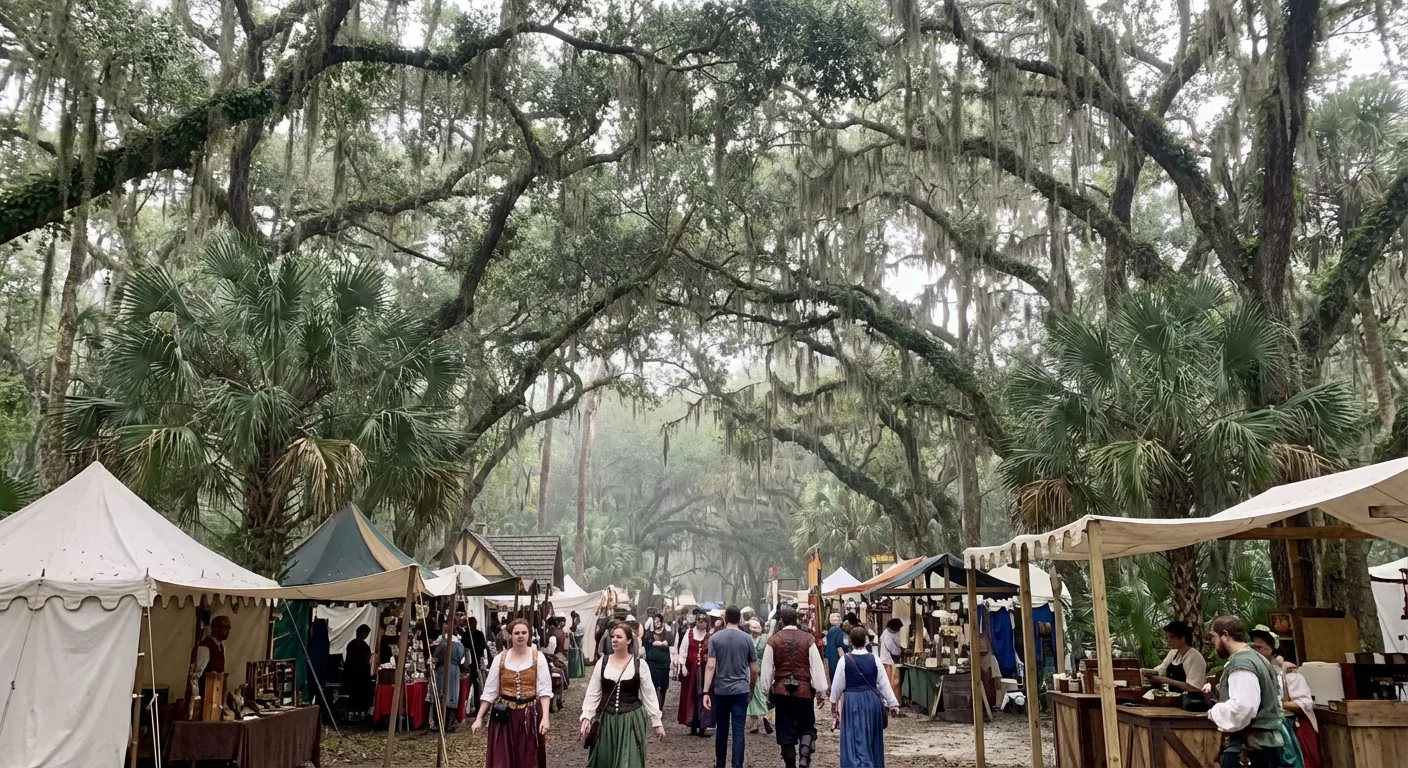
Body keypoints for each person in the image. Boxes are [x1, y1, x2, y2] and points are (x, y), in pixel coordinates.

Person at [579, 624, 667, 767]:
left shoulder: (640, 665)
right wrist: (587, 716)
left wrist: (657, 722)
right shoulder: (603, 662)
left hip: (631, 720)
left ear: (629, 641)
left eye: (619, 637)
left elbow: (649, 695)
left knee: (628, 762)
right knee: (605, 760)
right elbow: (593, 692)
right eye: (613, 637)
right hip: (607, 721)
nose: (614, 640)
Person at [1204, 615, 1283, 768]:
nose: (1213, 643)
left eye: (1213, 637)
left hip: (1253, 748)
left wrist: (1213, 712)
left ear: (1225, 635)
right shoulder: (1256, 658)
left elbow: (1243, 707)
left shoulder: (1243, 663)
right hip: (1261, 746)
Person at [472, 618, 552, 768]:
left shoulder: (538, 657)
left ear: (529, 634)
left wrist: (545, 717)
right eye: (516, 633)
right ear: (510, 635)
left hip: (529, 715)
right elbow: (490, 692)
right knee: (502, 760)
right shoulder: (500, 659)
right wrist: (479, 718)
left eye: (524, 632)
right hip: (504, 717)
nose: (520, 636)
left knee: (528, 759)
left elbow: (544, 691)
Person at [761, 606, 829, 768]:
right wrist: (821, 690)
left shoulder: (774, 640)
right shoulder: (808, 640)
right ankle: (804, 758)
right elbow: (816, 667)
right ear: (797, 620)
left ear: (782, 621)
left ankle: (790, 764)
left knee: (785, 731)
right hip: (804, 692)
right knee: (806, 726)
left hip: (781, 692)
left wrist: (765, 692)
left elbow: (767, 670)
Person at [1250, 626, 1318, 768]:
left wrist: (1276, 704)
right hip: (1263, 729)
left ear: (1271, 649)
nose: (1256, 652)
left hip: (1289, 726)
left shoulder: (1288, 672)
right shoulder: (1253, 671)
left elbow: (1304, 703)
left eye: (1260, 648)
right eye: (1254, 648)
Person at [831, 625, 898, 767]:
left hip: (853, 701)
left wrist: (833, 704)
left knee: (856, 739)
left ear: (850, 641)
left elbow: (837, 686)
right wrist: (893, 704)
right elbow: (884, 683)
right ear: (866, 640)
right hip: (872, 702)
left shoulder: (844, 661)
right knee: (872, 739)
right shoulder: (875, 659)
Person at [703, 605, 758, 768]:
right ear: (739, 619)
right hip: (741, 689)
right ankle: (737, 765)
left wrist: (706, 690)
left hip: (722, 690)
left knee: (722, 730)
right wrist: (752, 687)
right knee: (738, 731)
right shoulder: (747, 638)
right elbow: (754, 667)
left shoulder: (715, 638)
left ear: (725, 618)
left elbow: (711, 665)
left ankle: (720, 764)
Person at [1140, 620, 1207, 694]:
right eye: (1167, 637)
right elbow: (1162, 669)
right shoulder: (1173, 653)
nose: (1169, 640)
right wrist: (1149, 672)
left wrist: (1166, 680)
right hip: (1172, 698)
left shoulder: (1194, 657)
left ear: (1182, 638)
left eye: (1172, 637)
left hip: (1189, 701)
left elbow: (1193, 687)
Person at [676, 611, 715, 736]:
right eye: (699, 620)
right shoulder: (689, 633)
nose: (701, 622)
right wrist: (682, 665)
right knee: (690, 696)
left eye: (704, 620)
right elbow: (683, 649)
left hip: (705, 671)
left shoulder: (710, 636)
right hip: (691, 671)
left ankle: (702, 726)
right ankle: (692, 725)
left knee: (704, 695)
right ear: (696, 621)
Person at [429, 624, 467, 732]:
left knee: (443, 695)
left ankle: (442, 723)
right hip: (454, 670)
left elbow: (436, 656)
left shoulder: (444, 644)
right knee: (451, 696)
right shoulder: (459, 645)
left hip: (444, 670)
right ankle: (448, 723)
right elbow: (462, 658)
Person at [745, 619, 772, 734]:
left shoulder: (765, 639)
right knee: (753, 697)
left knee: (762, 695)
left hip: (762, 670)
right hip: (750, 671)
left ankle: (766, 717)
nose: (755, 632)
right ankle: (755, 723)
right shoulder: (747, 638)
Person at [344, 624, 375, 716]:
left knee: (355, 693)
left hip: (353, 673)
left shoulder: (351, 644)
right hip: (360, 673)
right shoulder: (363, 646)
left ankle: (355, 710)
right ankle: (359, 710)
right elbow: (367, 657)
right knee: (360, 693)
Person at [643, 614, 674, 705]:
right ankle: (655, 706)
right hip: (652, 664)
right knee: (654, 685)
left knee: (664, 687)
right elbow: (646, 645)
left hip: (664, 664)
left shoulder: (667, 633)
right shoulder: (649, 634)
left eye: (658, 621)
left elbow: (670, 643)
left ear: (661, 622)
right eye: (655, 621)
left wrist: (662, 644)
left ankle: (661, 706)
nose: (656, 623)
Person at [878, 618, 905, 703]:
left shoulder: (886, 633)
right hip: (889, 662)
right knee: (893, 683)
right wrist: (901, 651)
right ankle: (893, 701)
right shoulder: (888, 635)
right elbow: (894, 650)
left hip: (885, 661)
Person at [824, 613, 847, 677]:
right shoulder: (838, 630)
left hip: (830, 655)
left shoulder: (830, 630)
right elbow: (839, 644)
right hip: (836, 655)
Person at [569, 612, 587, 679]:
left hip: (578, 644)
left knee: (578, 657)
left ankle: (578, 672)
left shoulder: (578, 627)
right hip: (576, 645)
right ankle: (577, 672)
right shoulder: (574, 628)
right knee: (577, 657)